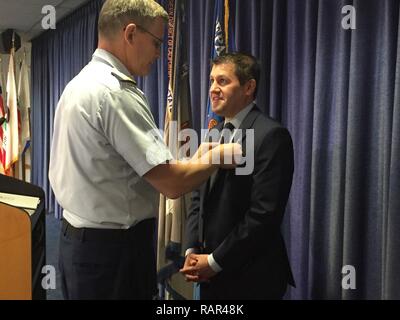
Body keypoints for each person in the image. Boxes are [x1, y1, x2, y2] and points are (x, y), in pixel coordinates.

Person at [48, 0, 240, 300]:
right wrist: (216, 158)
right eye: (156, 42)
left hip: (81, 243)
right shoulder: (116, 94)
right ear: (130, 34)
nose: (158, 53)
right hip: (113, 253)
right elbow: (171, 183)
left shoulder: (80, 84)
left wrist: (199, 157)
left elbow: (131, 166)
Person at [180, 52, 295, 299]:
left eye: (222, 81)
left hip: (252, 279)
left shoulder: (271, 136)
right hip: (209, 276)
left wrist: (213, 262)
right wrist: (192, 250)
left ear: (249, 87)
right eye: (211, 80)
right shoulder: (213, 134)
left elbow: (264, 214)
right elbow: (198, 199)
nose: (213, 89)